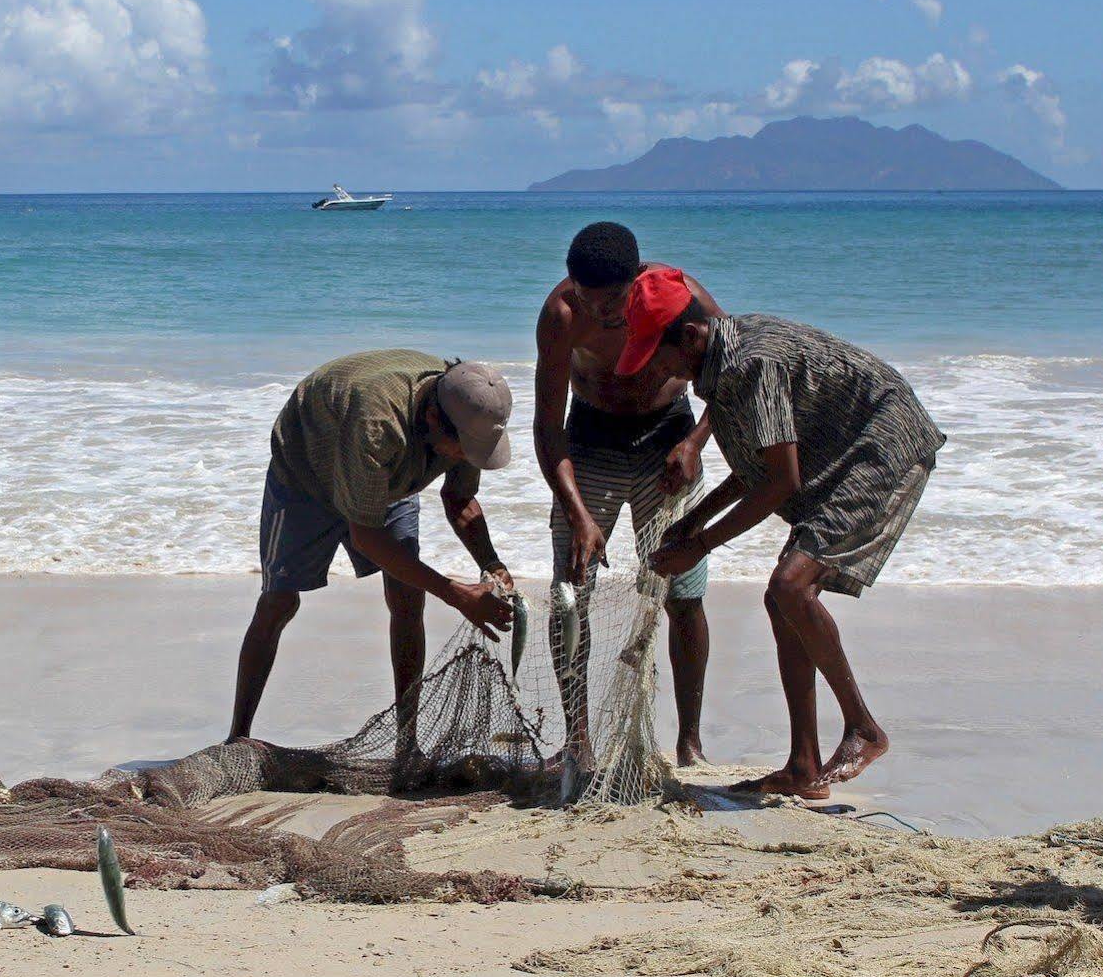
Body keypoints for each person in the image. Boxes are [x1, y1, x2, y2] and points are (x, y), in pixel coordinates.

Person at [623, 269, 945, 797]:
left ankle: (864, 728)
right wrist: (692, 519)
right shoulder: (721, 366)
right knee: (783, 601)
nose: (657, 371)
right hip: (838, 447)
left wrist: (700, 544)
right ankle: (803, 766)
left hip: (881, 444)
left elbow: (781, 481)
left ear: (689, 336)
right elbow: (758, 464)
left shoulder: (752, 364)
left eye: (658, 356)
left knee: (791, 587)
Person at [229, 350, 517, 763]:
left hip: (388, 478)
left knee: (407, 596)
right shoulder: (377, 425)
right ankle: (236, 739)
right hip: (306, 472)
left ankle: (407, 744)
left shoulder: (468, 412)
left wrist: (491, 563)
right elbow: (367, 537)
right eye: (461, 449)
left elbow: (459, 496)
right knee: (279, 601)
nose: (462, 457)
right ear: (434, 419)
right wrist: (457, 594)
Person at [534, 222, 722, 769]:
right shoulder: (561, 315)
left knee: (684, 594)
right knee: (572, 593)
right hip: (590, 439)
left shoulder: (682, 297)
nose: (606, 313)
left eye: (615, 301)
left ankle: (689, 741)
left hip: (667, 438)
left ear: (637, 280)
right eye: (590, 300)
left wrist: (693, 442)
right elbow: (548, 428)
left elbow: (736, 372)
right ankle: (578, 739)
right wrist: (576, 511)